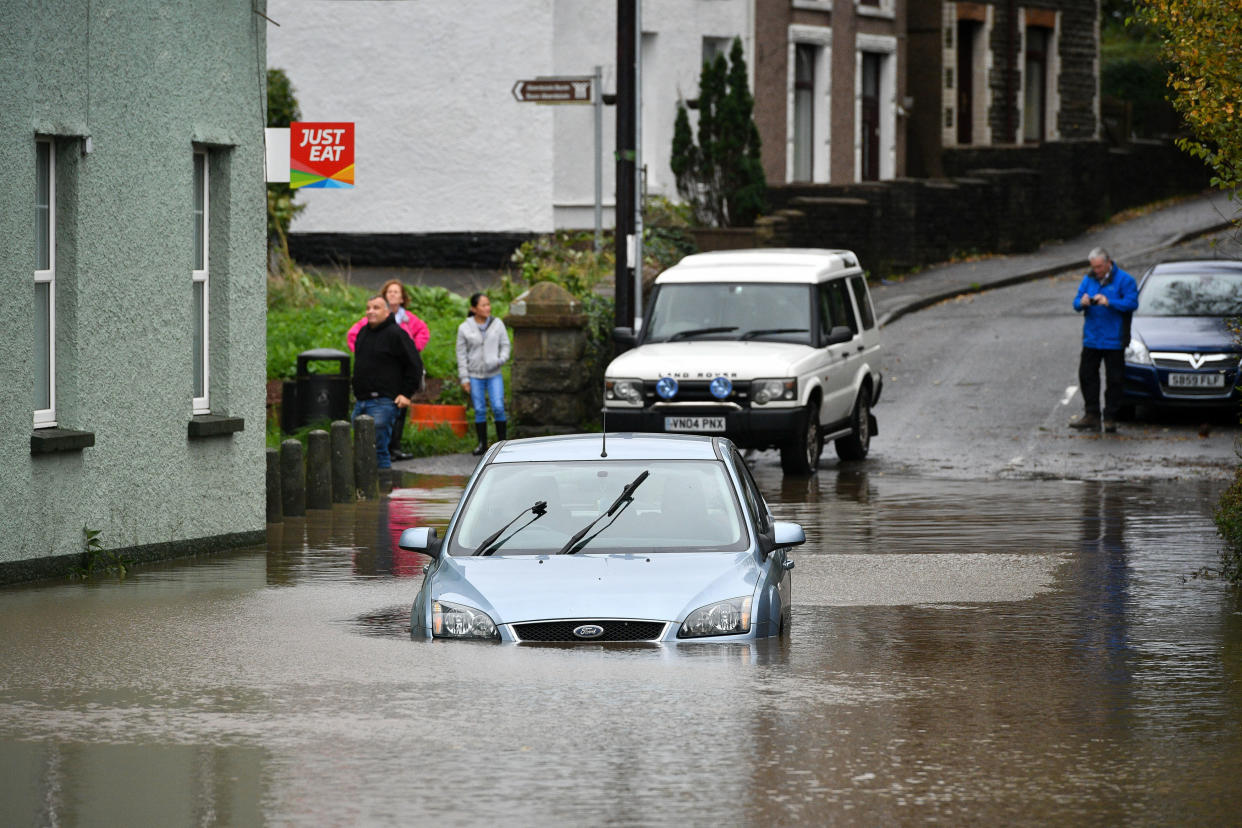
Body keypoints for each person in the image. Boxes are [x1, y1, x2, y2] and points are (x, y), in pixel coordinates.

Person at [347, 279, 429, 460]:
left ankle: (384, 486)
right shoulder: (363, 332)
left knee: (378, 451)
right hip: (361, 401)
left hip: (384, 401)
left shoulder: (397, 333)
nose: (370, 312)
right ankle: (364, 488)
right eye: (368, 308)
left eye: (376, 308)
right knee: (360, 451)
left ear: (386, 311)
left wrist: (406, 393)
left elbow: (414, 364)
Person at [1070, 247, 1138, 433]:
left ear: (1109, 262)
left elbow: (1132, 303)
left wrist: (1109, 302)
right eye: (1094, 267)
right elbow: (1076, 303)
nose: (1097, 270)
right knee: (1087, 375)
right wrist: (1082, 302)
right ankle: (1091, 414)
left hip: (1114, 339)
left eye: (1099, 267)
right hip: (1092, 338)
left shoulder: (1125, 280)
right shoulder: (1088, 279)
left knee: (1115, 379)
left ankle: (1110, 416)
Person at [456, 292, 510, 455]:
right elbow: (461, 354)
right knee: (479, 409)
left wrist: (500, 359)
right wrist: (464, 378)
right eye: (483, 305)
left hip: (494, 372)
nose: (487, 308)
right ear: (474, 308)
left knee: (498, 406)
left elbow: (505, 345)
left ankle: (502, 444)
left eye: (488, 304)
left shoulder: (497, 324)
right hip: (474, 374)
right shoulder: (464, 328)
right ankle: (482, 444)